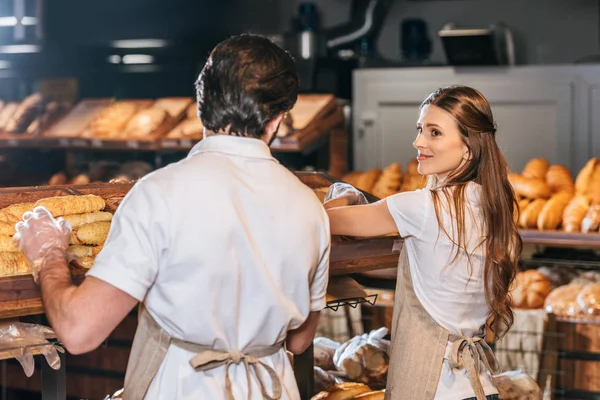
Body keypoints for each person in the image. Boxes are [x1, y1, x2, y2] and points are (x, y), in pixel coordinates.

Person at [15, 34, 331, 400]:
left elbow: (78, 330)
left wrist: (49, 253)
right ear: (277, 120)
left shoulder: (159, 193)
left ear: (201, 107)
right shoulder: (310, 208)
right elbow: (300, 339)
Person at [324, 86, 522, 400]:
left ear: (468, 146)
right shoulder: (492, 204)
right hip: (479, 388)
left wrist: (343, 194)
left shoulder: (422, 207)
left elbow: (322, 221)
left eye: (434, 132)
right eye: (420, 130)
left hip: (432, 389)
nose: (419, 142)